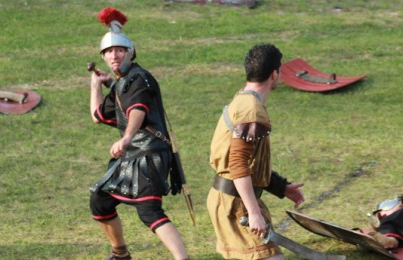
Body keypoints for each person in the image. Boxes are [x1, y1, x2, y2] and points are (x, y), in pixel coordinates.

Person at [87, 7, 188, 260]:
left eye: (119, 50)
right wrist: (95, 85)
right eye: (108, 52)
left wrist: (126, 138)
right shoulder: (122, 83)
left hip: (149, 153)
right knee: (100, 200)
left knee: (149, 211)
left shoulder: (138, 78)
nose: (113, 55)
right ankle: (120, 254)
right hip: (132, 155)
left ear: (130, 52)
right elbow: (98, 116)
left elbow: (137, 110)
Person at [206, 44, 306, 260]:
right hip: (236, 204)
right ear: (274, 74)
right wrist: (253, 212)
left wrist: (280, 186)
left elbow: (249, 162)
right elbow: (238, 163)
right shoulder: (251, 110)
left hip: (229, 198)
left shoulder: (242, 99)